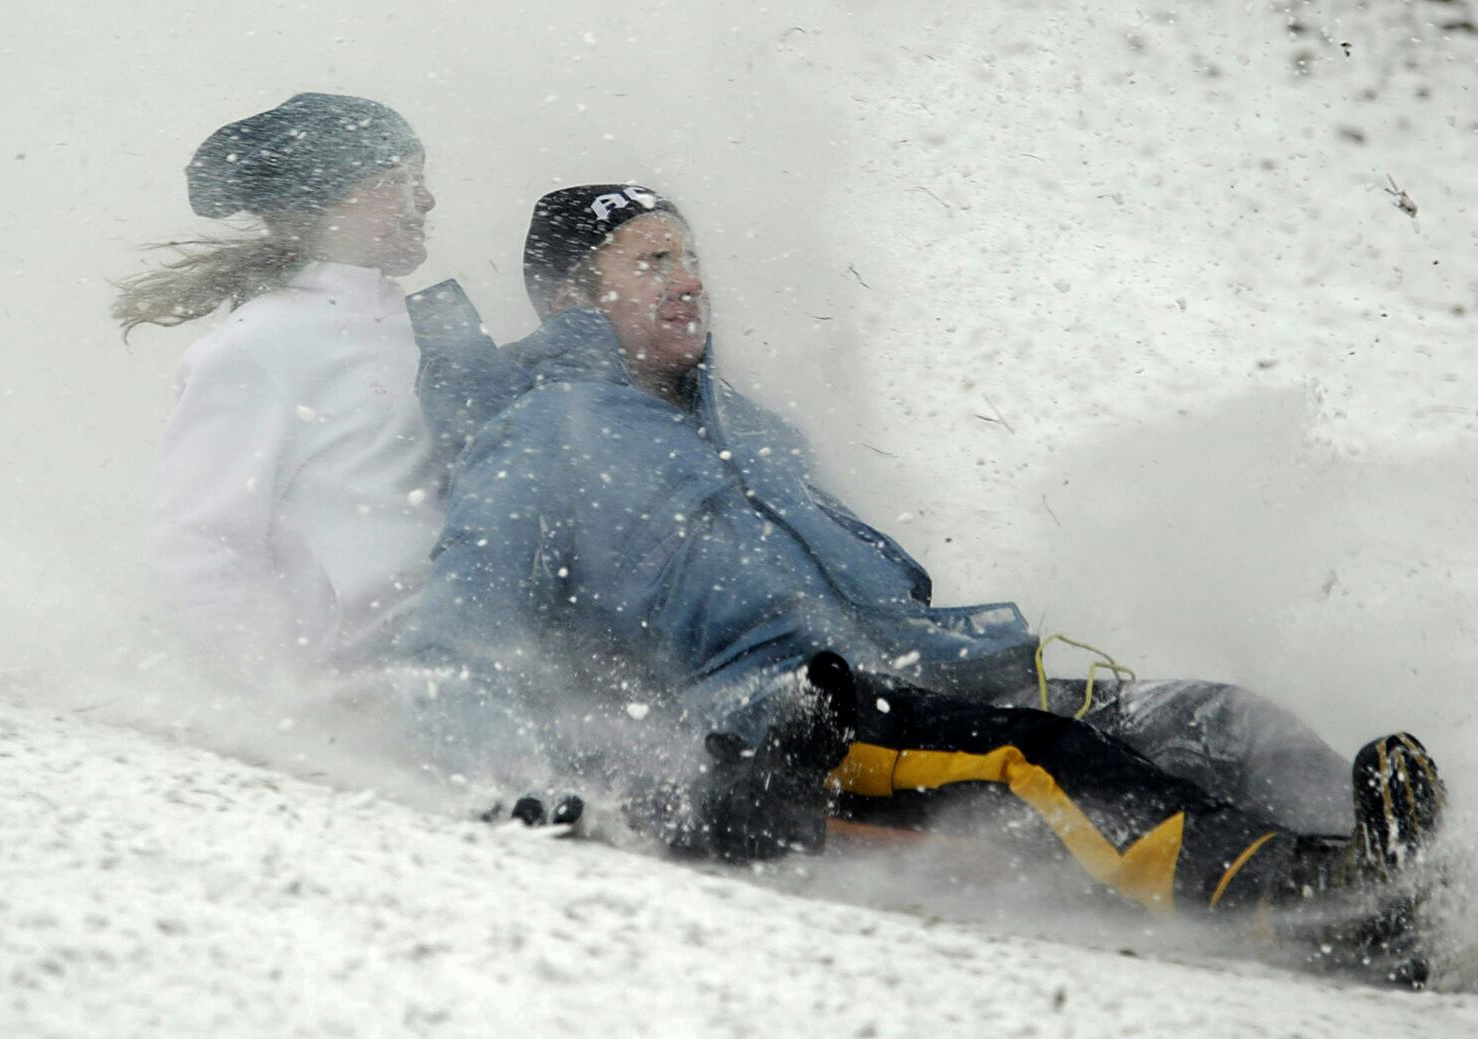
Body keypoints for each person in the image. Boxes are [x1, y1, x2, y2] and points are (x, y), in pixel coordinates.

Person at [397, 183, 1449, 984]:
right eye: (653, 259)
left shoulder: (752, 430)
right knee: (1036, 757)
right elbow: (454, 640)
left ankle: (1397, 886)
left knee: (1210, 717)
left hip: (921, 670)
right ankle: (1297, 906)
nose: (689, 280)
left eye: (692, 256)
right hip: (783, 725)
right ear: (571, 296)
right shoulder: (540, 438)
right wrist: (508, 779)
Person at [114, 93, 444, 673]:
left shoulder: (422, 325)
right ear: (326, 203)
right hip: (349, 689)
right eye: (398, 179)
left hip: (444, 665)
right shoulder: (260, 345)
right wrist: (273, 702)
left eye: (421, 177)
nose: (426, 198)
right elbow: (199, 543)